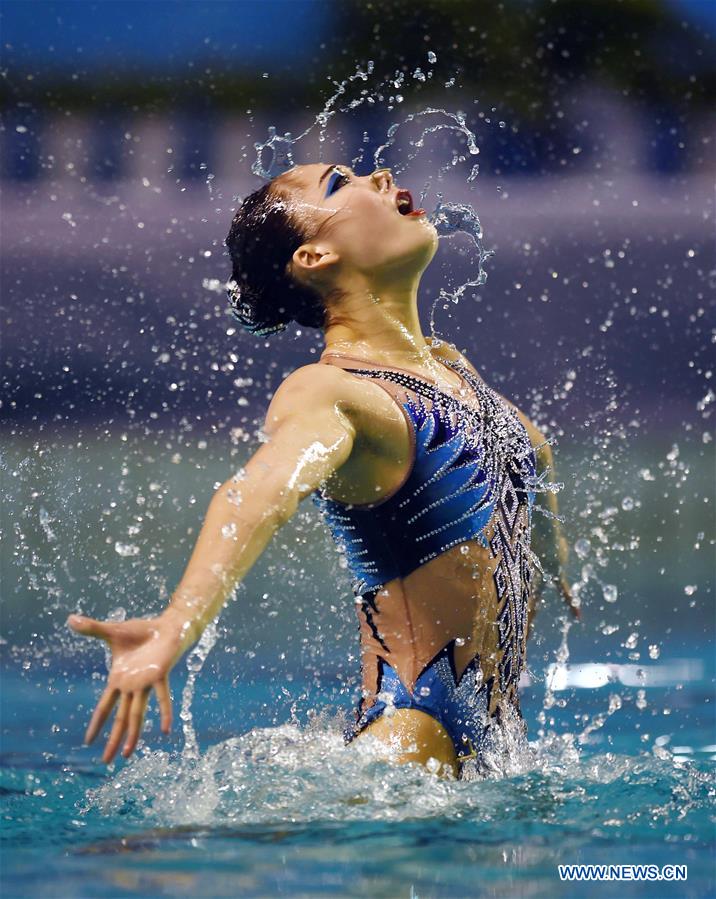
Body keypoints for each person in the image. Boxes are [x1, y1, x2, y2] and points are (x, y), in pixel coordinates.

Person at [67, 163, 578, 779]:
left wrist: (552, 559)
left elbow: (526, 464)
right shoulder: (331, 392)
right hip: (413, 736)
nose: (381, 174)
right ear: (315, 256)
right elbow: (255, 495)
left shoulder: (451, 370)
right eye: (339, 184)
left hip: (496, 745)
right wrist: (176, 625)